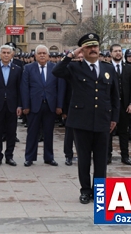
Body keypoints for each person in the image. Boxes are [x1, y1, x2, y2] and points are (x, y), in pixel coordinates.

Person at [53, 33, 119, 204]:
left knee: (101, 160)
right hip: (81, 121)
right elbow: (56, 71)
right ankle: (85, 190)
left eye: (95, 46)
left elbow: (115, 96)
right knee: (83, 160)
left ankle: (99, 193)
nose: (93, 49)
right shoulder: (75, 67)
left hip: (103, 121)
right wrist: (71, 55)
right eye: (88, 47)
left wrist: (114, 118)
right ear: (83, 50)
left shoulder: (108, 68)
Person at [20, 45, 65, 167]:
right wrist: (25, 106)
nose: (42, 55)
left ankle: (49, 157)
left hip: (50, 105)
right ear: (35, 55)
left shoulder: (55, 68)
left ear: (48, 55)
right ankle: (29, 157)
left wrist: (59, 105)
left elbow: (60, 88)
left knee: (49, 133)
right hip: (34, 105)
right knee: (32, 132)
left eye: (44, 53)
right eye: (39, 53)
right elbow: (24, 88)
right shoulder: (28, 68)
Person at [0, 44, 23, 167]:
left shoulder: (17, 69)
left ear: (12, 54)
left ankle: (9, 156)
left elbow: (20, 89)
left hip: (12, 106)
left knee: (11, 132)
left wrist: (19, 105)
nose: (6, 55)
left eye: (8, 53)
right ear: (0, 54)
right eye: (4, 53)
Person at [108, 44, 131, 165]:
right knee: (108, 132)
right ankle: (107, 156)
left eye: (119, 51)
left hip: (124, 106)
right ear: (111, 53)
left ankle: (125, 156)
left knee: (124, 132)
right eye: (115, 51)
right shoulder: (106, 68)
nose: (118, 53)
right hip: (110, 106)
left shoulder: (128, 68)